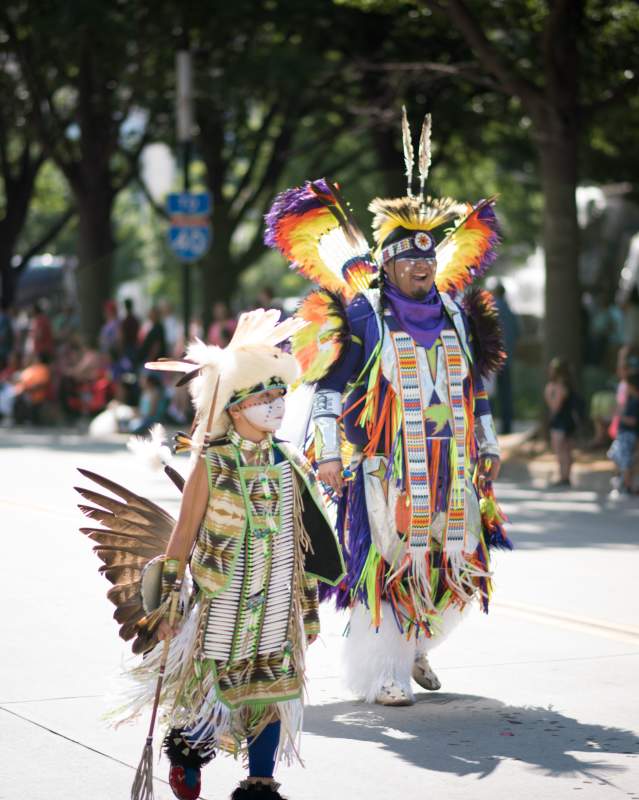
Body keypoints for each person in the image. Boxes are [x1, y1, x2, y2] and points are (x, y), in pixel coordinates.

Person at [265, 110, 511, 707]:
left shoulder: (455, 313)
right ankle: (385, 672)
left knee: (448, 556)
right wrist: (326, 452)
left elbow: (474, 383)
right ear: (388, 264)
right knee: (391, 559)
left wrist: (488, 443)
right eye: (409, 260)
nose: (422, 268)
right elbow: (328, 385)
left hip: (449, 464)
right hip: (384, 466)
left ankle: (417, 643)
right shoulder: (364, 314)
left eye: (428, 260)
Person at [77, 309, 344, 800]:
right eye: (262, 396)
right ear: (235, 407)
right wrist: (170, 599)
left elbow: (311, 531)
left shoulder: (290, 461)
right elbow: (182, 535)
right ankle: (188, 747)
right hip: (224, 601)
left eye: (279, 394)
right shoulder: (213, 462)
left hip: (279, 601)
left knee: (273, 692)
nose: (275, 405)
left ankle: (260, 785)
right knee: (212, 691)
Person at [544, 357, 579, 487]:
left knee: (560, 450)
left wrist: (548, 395)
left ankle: (563, 476)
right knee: (568, 450)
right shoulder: (570, 385)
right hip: (570, 421)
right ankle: (567, 475)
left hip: (560, 422)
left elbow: (555, 406)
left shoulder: (558, 387)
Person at [492, 282, 519, 434]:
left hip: (492, 357)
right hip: (507, 357)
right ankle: (507, 426)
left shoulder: (492, 307)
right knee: (506, 393)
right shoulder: (510, 310)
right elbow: (518, 332)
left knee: (488, 394)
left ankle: (488, 427)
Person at [608, 365, 639, 495]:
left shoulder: (635, 402)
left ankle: (627, 486)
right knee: (615, 455)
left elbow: (633, 421)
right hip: (623, 433)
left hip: (628, 434)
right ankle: (622, 482)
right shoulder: (630, 400)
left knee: (625, 459)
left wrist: (620, 415)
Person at [119, 298, 140, 364]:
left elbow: (122, 335)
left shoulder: (125, 321)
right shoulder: (135, 320)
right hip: (134, 345)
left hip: (128, 346)